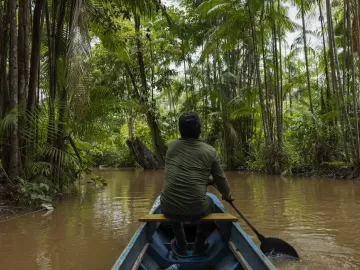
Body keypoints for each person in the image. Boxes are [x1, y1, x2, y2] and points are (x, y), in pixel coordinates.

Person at [160, 112, 234, 256]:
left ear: (180, 130)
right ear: (199, 129)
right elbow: (221, 179)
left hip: (168, 207)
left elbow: (183, 172)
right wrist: (227, 195)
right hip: (197, 210)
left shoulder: (171, 146)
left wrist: (205, 180)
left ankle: (181, 245)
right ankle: (198, 246)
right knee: (211, 203)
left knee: (172, 201)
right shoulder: (210, 151)